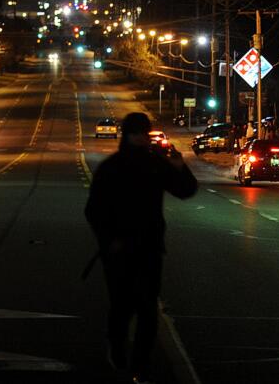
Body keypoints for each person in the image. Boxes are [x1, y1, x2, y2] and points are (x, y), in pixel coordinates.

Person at [84, 112, 197, 382]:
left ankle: (138, 364)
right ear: (128, 135)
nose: (141, 138)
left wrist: (180, 167)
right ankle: (123, 351)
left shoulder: (152, 164)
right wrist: (111, 240)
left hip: (146, 248)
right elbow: (94, 210)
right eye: (137, 133)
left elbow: (184, 190)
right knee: (126, 306)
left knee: (145, 309)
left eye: (144, 132)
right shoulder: (116, 167)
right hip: (124, 249)